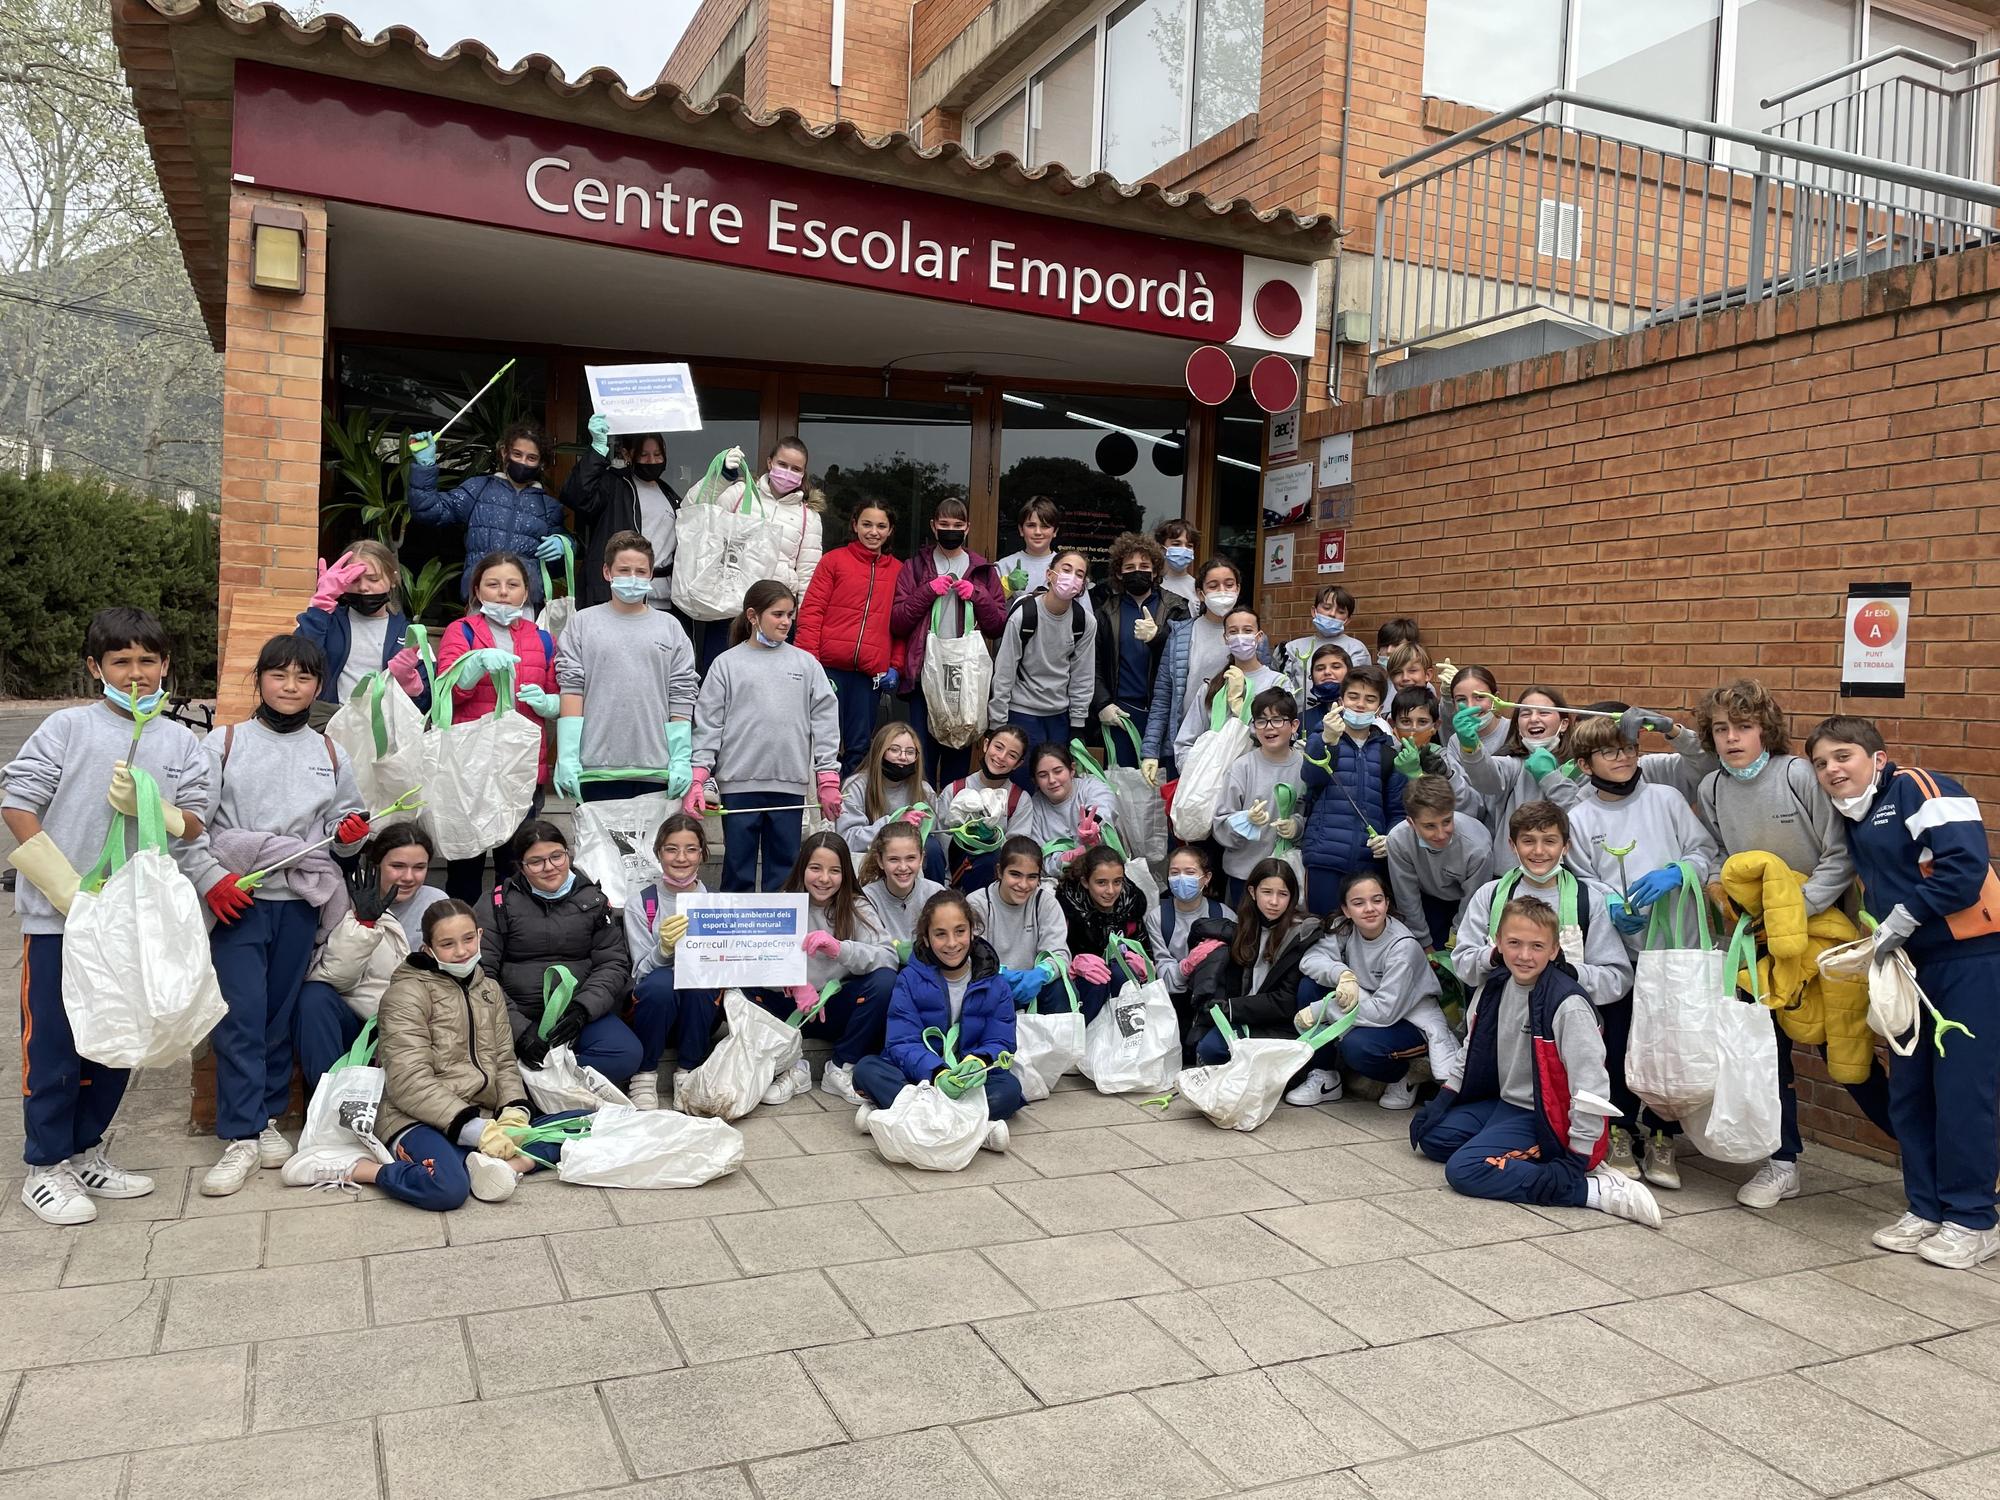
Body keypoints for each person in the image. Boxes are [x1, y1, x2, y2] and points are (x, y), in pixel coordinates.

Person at [3, 607, 210, 1224]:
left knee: (118, 1042)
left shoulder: (179, 741)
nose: (137, 674)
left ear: (167, 665)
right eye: (121, 661)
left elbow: (198, 819)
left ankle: (86, 1149)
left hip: (135, 927)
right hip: (60, 921)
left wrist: (163, 811)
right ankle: (45, 1166)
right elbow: (17, 802)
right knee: (57, 1047)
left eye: (149, 661)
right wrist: (63, 886)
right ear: (97, 668)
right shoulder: (68, 728)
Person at [1808, 716, 2000, 1269]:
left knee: (1963, 1091)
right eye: (1822, 763)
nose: (1832, 770)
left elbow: (1965, 866)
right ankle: (1926, 1208)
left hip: (1970, 960)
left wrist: (1907, 914)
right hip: (1909, 967)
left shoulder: (1917, 787)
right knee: (1911, 1091)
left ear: (1878, 757)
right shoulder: (1853, 817)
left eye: (1842, 756)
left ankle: (1973, 1218)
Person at [1696, 680, 1891, 1211]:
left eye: (1743, 726)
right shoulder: (1710, 787)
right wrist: (1727, 898)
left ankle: (1932, 1155)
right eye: (1720, 729)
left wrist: (1792, 911)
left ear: (1765, 728)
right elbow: (1718, 853)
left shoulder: (1798, 775)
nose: (1732, 738)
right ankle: (1783, 1162)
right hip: (1757, 944)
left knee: (1845, 1056)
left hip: (1824, 942)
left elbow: (1839, 855)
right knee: (1766, 1056)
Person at [188, 634, 369, 1197]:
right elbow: (189, 826)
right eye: (279, 675)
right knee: (239, 1015)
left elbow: (343, 831)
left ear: (319, 686)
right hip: (238, 900)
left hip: (299, 903)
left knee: (276, 1016)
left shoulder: (330, 752)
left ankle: (265, 1119)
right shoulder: (225, 742)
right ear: (259, 680)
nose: (291, 687)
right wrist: (211, 880)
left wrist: (350, 838)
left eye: (304, 678)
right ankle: (238, 1135)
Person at [281, 900, 581, 1206]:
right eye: (448, 944)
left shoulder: (488, 988)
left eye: (468, 939)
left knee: (587, 1122)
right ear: (429, 950)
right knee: (447, 1188)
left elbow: (503, 1061)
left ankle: (508, 1166)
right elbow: (408, 1082)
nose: (462, 951)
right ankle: (361, 1169)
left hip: (482, 1113)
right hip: (414, 1117)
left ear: (480, 935)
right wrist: (473, 1129)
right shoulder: (407, 993)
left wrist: (514, 1113)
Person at [1413, 897, 1661, 1226]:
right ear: (1498, 943)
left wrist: (1578, 1156)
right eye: (1514, 943)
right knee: (1432, 1137)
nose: (1525, 955)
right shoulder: (1496, 986)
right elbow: (1471, 1048)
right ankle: (1531, 1160)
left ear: (1554, 950)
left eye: (1537, 946)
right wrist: (1445, 1097)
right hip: (1505, 1103)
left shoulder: (1566, 1003)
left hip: (1546, 1115)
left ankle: (1590, 1190)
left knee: (1465, 1170)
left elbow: (1592, 1087)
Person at [1565, 714, 1721, 1188]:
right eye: (1610, 751)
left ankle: (1662, 1135)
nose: (1624, 757)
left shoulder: (1666, 799)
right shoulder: (1579, 816)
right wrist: (1609, 902)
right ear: (1585, 763)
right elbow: (1581, 877)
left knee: (1668, 1045)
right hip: (1621, 951)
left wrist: (1678, 871)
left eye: (1629, 749)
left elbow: (1704, 852)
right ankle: (1618, 1130)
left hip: (1674, 947)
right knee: (1617, 1043)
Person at [688, 579, 841, 893]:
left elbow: (825, 722)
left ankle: (781, 940)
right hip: (739, 784)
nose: (786, 622)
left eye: (790, 615)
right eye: (778, 614)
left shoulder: (807, 664)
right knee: (737, 870)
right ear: (753, 616)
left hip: (789, 785)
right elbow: (708, 724)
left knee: (784, 874)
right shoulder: (726, 664)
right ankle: (733, 938)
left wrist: (827, 779)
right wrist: (698, 777)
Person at [855, 890, 1021, 1152]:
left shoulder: (996, 984)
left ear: (972, 931)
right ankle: (976, 1129)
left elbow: (1001, 1041)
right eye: (940, 934)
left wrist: (978, 1062)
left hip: (968, 1079)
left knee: (1009, 1089)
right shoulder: (909, 979)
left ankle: (895, 1118)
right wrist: (936, 1072)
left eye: (960, 931)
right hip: (920, 1078)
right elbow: (901, 1042)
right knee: (867, 1069)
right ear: (926, 938)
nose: (952, 943)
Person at [435, 550, 559, 901]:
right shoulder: (461, 631)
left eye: (512, 584)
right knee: (465, 867)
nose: (503, 592)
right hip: (472, 769)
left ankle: (513, 944)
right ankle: (459, 941)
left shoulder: (543, 638)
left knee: (517, 867)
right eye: (492, 584)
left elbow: (559, 698)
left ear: (526, 592)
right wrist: (473, 668)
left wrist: (549, 704)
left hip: (521, 770)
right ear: (476, 590)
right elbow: (447, 694)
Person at [479, 820, 641, 1089]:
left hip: (575, 1013)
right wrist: (518, 1029)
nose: (550, 867)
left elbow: (613, 962)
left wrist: (582, 1009)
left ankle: (545, 1087)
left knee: (626, 1053)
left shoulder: (593, 900)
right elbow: (481, 973)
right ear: (520, 866)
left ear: (568, 854)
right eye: (536, 861)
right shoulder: (496, 903)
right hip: (518, 1012)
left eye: (557, 856)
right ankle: (547, 1087)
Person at [551, 530, 699, 818]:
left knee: (651, 862)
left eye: (640, 571)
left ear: (651, 574)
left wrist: (681, 759)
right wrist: (568, 757)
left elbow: (681, 694)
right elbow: (571, 689)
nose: (633, 577)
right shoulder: (582, 624)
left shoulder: (670, 628)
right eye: (624, 570)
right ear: (607, 572)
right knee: (599, 861)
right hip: (595, 769)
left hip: (656, 769)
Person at [296, 822, 449, 1092]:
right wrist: (364, 924)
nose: (408, 877)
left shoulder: (436, 902)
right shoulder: (347, 897)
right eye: (397, 866)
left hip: (412, 1022)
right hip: (358, 1016)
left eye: (419, 868)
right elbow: (335, 976)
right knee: (314, 998)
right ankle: (328, 1104)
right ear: (376, 863)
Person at [1296, 870, 1459, 1108]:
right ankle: (1324, 1075)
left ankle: (1407, 1072)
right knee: (1310, 985)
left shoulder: (1403, 947)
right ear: (1346, 910)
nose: (1370, 908)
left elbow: (1384, 1012)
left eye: (1377, 900)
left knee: (1358, 1046)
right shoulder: (1345, 927)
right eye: (1358, 903)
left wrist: (1325, 1008)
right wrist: (1342, 974)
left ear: (1387, 903)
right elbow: (1311, 959)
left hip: (1408, 1019)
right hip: (1367, 1004)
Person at [1452, 801, 1633, 1012]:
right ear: (1512, 845)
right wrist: (1494, 956)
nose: (1539, 851)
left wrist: (1570, 972)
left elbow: (1616, 978)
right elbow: (1463, 963)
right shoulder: (1489, 895)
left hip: (1562, 1024)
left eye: (1549, 841)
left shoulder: (1588, 901)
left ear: (1566, 847)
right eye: (1528, 841)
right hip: (1498, 1021)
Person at [761, 832, 899, 1106]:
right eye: (815, 868)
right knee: (741, 986)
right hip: (789, 1008)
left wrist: (841, 949)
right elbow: (756, 960)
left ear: (845, 873)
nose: (824, 878)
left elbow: (888, 956)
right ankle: (792, 1066)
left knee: (885, 981)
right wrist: (792, 983)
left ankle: (840, 1065)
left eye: (834, 871)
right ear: (802, 868)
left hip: (834, 1010)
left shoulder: (856, 905)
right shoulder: (782, 902)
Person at [890, 497, 1007, 784]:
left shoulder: (983, 570)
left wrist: (977, 595)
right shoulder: (915, 567)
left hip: (964, 677)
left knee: (958, 755)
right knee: (921, 758)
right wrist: (927, 591)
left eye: (957, 525)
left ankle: (950, 820)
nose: (950, 530)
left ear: (967, 528)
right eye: (944, 524)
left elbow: (997, 625)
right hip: (924, 674)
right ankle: (920, 820)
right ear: (933, 526)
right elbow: (898, 621)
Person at [1182, 858, 1325, 1076]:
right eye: (1267, 892)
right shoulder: (1245, 927)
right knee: (1210, 1050)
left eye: (1283, 894)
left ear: (1292, 897)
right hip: (1243, 1018)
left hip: (1282, 1023)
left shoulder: (1301, 935)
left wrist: (1231, 1007)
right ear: (1252, 891)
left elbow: (1286, 1001)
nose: (1274, 902)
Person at [795, 499, 904, 776]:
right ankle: (816, 806)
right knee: (820, 741)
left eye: (881, 526)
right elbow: (812, 611)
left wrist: (896, 665)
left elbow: (903, 624)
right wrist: (810, 663)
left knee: (859, 746)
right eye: (867, 524)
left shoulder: (899, 571)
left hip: (869, 676)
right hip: (829, 669)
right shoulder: (834, 561)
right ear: (855, 525)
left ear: (890, 530)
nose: (873, 532)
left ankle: (846, 810)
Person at [697, 437, 825, 670]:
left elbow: (808, 577)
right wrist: (721, 476)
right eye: (782, 464)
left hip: (775, 616)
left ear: (804, 474)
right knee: (719, 678)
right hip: (729, 609)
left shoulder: (809, 517)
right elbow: (696, 511)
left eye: (796, 469)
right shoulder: (739, 493)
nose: (788, 472)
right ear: (769, 462)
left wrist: (802, 629)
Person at [407, 420, 566, 606]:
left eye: (531, 458)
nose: (523, 462)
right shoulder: (478, 488)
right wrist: (425, 466)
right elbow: (430, 511)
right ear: (504, 452)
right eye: (517, 454)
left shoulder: (549, 507)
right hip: (479, 597)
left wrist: (565, 545)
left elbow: (556, 568)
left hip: (524, 603)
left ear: (541, 463)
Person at [625, 812, 719, 1112]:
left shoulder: (717, 905)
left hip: (699, 1012)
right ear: (658, 853)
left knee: (700, 980)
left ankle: (687, 1072)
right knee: (663, 983)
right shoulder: (642, 903)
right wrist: (663, 950)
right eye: (671, 849)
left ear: (703, 853)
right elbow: (639, 972)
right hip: (655, 1008)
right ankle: (645, 1072)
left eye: (691, 849)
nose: (681, 858)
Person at [1299, 664, 1405, 915]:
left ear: (1379, 709)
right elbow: (1311, 777)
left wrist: (1391, 838)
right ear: (1341, 700)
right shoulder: (1320, 737)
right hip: (1324, 856)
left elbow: (1398, 810)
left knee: (1364, 933)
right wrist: (1328, 740)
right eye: (1353, 697)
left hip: (1368, 862)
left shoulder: (1389, 752)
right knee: (1322, 931)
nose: (1360, 705)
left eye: (1370, 700)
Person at [988, 549, 1097, 780]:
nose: (1072, 578)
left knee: (1054, 784)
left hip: (1060, 716)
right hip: (1022, 712)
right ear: (1050, 575)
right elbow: (1004, 671)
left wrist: (1078, 724)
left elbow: (1083, 676)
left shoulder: (1085, 622)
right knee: (1023, 782)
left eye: (1079, 574)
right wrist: (997, 723)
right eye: (1066, 570)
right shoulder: (1024, 615)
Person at [1142, 557, 1248, 782]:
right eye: (1213, 586)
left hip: (1235, 747)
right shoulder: (1181, 634)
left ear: (1238, 589)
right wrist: (1150, 752)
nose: (1222, 591)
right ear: (1200, 593)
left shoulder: (1251, 636)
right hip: (1185, 746)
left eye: (1229, 584)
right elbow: (1163, 697)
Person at [293, 539, 425, 719]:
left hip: (382, 732)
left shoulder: (411, 634)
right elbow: (297, 659)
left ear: (392, 579)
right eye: (354, 580)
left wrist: (409, 682)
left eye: (373, 579)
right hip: (328, 725)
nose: (363, 587)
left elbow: (426, 700)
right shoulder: (326, 620)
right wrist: (320, 607)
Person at [1457, 683, 1581, 864]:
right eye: (1525, 713)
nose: (1533, 719)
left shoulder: (1580, 767)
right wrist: (1471, 746)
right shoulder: (1511, 764)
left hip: (1564, 875)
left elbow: (1581, 817)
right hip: (1510, 874)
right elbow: (1486, 778)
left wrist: (1550, 777)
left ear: (1563, 724)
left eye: (1543, 712)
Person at [565, 417, 678, 610]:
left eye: (657, 454)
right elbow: (578, 496)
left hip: (662, 598)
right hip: (615, 595)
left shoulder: (669, 494)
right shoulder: (614, 484)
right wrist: (598, 449)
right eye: (644, 455)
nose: (652, 461)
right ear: (627, 454)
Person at [1091, 531, 1186, 753]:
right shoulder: (1105, 612)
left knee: (1159, 783)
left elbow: (1184, 658)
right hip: (1120, 712)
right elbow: (1092, 665)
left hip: (1162, 713)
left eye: (1144, 566)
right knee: (1122, 784)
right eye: (1129, 567)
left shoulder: (1176, 607)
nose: (1137, 572)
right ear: (1119, 573)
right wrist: (1102, 703)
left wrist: (1158, 637)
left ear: (1154, 571)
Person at [1213, 686, 1306, 902]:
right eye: (1261, 721)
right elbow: (1220, 824)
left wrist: (1296, 826)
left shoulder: (1305, 766)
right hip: (1244, 875)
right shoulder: (1242, 767)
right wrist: (1243, 822)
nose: (1269, 727)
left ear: (1294, 725)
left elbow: (1311, 816)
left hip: (1287, 877)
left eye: (1277, 719)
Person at [1054, 845, 1164, 1021]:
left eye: (1117, 882)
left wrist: (1142, 963)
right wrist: (1073, 965)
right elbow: (1053, 953)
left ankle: (1127, 1038)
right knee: (1097, 979)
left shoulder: (1130, 907)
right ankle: (1083, 1038)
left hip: (1122, 990)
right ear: (1085, 882)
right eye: (1101, 883)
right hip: (1083, 989)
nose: (1111, 890)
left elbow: (1145, 950)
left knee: (1123, 972)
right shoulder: (1067, 910)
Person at [1385, 774, 1493, 949]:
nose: (1441, 834)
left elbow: (1474, 901)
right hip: (1427, 898)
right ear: (1411, 823)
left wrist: (1458, 937)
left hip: (1465, 901)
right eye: (1430, 826)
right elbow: (1407, 897)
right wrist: (1423, 943)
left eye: (1447, 821)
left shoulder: (1477, 847)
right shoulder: (1398, 840)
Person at [1171, 603, 1284, 766]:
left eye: (1247, 631)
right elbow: (1184, 745)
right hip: (1212, 784)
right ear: (1225, 638)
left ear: (1259, 637)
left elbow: (1282, 738)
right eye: (1233, 631)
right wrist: (1202, 768)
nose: (1240, 637)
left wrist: (1240, 707)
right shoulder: (1211, 688)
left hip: (1257, 779)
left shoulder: (1277, 684)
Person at [968, 835, 1071, 1012]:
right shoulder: (977, 903)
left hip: (1034, 988)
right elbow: (969, 954)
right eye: (1015, 875)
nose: (1023, 885)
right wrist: (999, 973)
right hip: (992, 984)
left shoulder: (1045, 902)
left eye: (1032, 877)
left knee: (1060, 988)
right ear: (1000, 871)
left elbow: (1059, 953)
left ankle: (1057, 1039)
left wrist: (1043, 973)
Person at [837, 722, 947, 882]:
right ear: (879, 751)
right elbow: (846, 839)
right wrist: (893, 823)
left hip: (911, 867)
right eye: (894, 750)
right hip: (869, 864)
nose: (902, 757)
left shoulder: (925, 791)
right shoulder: (856, 786)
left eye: (910, 752)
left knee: (932, 847)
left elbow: (938, 838)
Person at [935, 725, 1030, 891]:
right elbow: (941, 843)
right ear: (986, 745)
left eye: (1012, 755)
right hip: (951, 879)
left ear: (1018, 764)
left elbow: (1015, 852)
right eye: (998, 747)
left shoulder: (1019, 800)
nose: (1001, 757)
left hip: (992, 882)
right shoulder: (955, 789)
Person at [1008, 741, 1117, 877]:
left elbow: (1103, 807)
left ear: (1072, 770)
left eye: (1058, 771)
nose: (1052, 780)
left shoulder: (1091, 787)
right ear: (1035, 781)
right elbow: (1037, 858)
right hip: (1059, 879)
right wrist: (1066, 860)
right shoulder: (1033, 807)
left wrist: (1093, 830)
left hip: (1104, 871)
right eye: (1043, 775)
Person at [1158, 845, 1235, 1021]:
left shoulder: (1225, 915)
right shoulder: (1158, 917)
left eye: (1190, 872)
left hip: (1213, 1002)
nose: (1181, 879)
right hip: (1172, 1004)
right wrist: (1186, 966)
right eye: (1175, 872)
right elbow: (1162, 976)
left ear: (1206, 878)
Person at [859, 822, 945, 958]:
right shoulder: (867, 898)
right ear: (880, 861)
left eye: (911, 858)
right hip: (886, 969)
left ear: (921, 858)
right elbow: (871, 949)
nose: (903, 867)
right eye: (894, 860)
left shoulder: (936, 893)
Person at [1282, 586, 1371, 702]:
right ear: (1314, 611)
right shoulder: (1293, 648)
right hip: (1301, 717)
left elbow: (1364, 687)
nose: (1332, 614)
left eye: (1340, 611)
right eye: (1327, 608)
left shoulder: (1356, 649)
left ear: (1347, 620)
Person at [996, 494, 1059, 597]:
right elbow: (989, 607)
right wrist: (1007, 588)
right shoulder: (1004, 566)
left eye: (1045, 526)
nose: (1038, 532)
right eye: (1031, 525)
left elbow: (1084, 611)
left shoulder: (1068, 567)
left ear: (1055, 531)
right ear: (1021, 530)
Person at [1296, 643, 1350, 723]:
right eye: (1320, 669)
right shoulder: (1302, 720)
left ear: (1349, 672)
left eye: (1336, 667)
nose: (1327, 672)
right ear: (1312, 676)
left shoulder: (1364, 715)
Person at [1154, 518, 1200, 606]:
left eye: (1189, 546)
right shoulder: (1153, 586)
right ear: (1161, 548)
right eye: (1176, 544)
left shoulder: (1198, 588)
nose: (1183, 549)